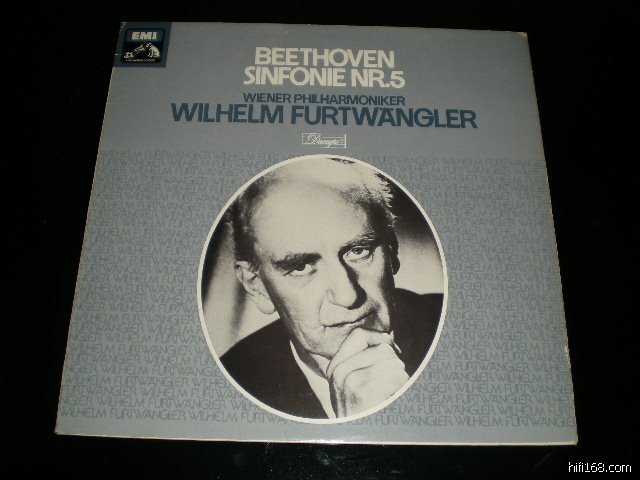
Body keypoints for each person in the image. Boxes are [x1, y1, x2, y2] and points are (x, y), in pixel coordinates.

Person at [217, 156, 443, 419]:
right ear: (257, 287)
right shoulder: (228, 385)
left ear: (392, 251)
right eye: (302, 266)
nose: (347, 296)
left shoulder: (450, 326)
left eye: (359, 251)